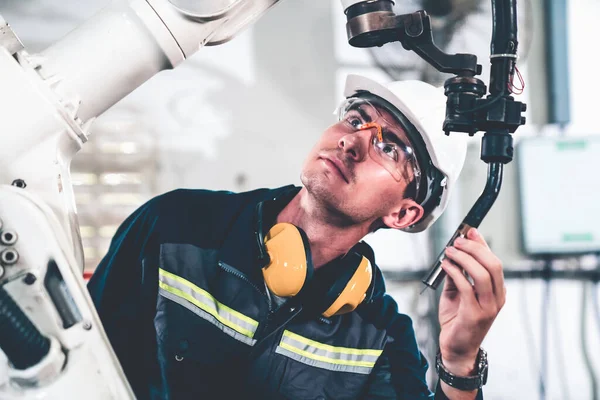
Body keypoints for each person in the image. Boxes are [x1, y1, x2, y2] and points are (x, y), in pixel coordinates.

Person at [88, 74, 506, 400]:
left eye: (390, 149)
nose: (352, 141)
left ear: (403, 213)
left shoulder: (379, 338)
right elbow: (79, 355)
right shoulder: (172, 226)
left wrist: (459, 362)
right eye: (356, 118)